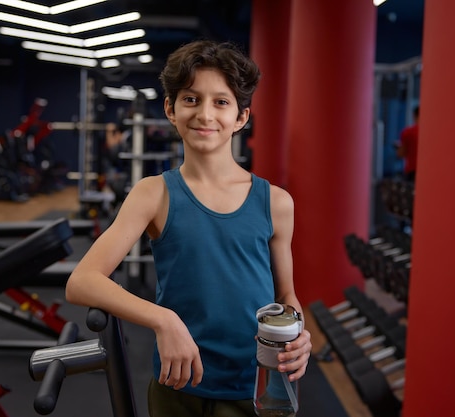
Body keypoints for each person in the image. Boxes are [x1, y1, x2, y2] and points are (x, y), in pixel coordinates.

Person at [65, 40, 312, 417]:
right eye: (191, 99)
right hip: (179, 384)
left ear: (242, 117)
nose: (205, 114)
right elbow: (82, 281)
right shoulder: (154, 194)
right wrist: (163, 319)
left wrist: (298, 334)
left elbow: (286, 295)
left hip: (256, 387)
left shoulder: (276, 202)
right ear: (171, 109)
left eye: (221, 102)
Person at [396, 105, 419, 182]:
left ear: (414, 116)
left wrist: (398, 148)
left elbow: (401, 153)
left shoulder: (408, 132)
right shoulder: (430, 133)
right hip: (427, 171)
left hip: (412, 171)